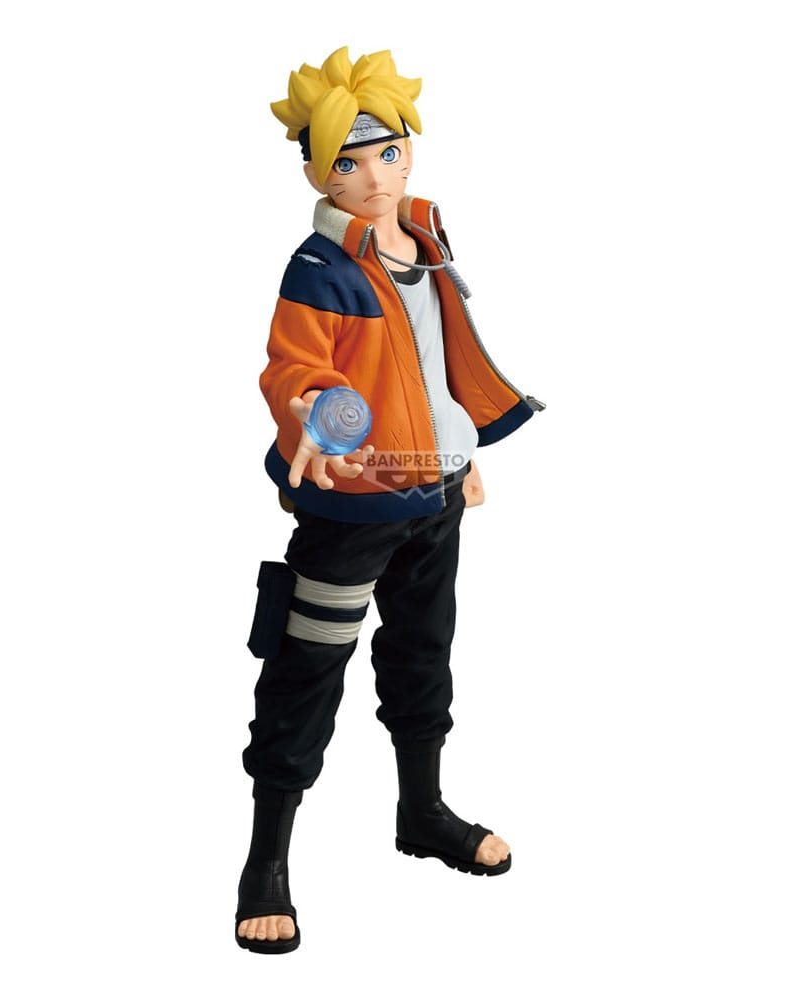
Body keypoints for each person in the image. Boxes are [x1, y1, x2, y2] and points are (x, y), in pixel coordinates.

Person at [237, 47, 543, 954]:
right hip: (351, 507)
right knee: (305, 670)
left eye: (389, 152)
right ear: (314, 171)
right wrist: (307, 413)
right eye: (348, 160)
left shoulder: (426, 238)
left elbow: (439, 360)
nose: (374, 176)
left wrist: (462, 452)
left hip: (434, 493)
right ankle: (265, 861)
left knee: (423, 654)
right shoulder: (319, 266)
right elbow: (294, 365)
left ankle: (422, 811)